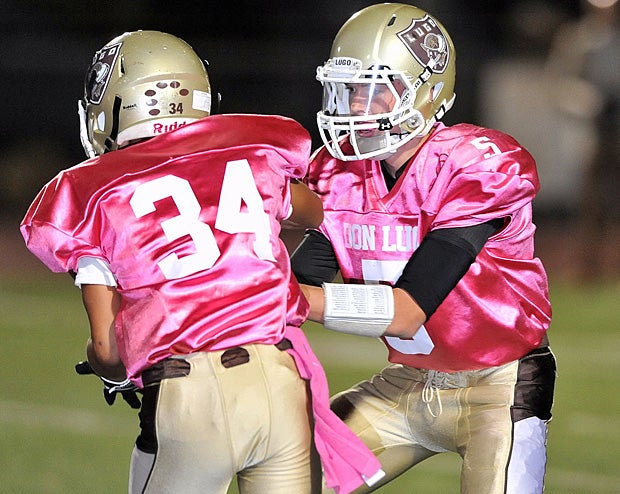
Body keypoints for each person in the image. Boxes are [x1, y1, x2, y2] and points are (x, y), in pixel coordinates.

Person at [20, 30, 384, 494]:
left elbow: (109, 351)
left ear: (115, 104)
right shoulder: (249, 155)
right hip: (279, 379)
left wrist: (107, 370)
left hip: (190, 391)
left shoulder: (95, 193)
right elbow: (313, 211)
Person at [291, 4, 557, 493]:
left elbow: (407, 312)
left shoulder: (472, 165)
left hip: (499, 385)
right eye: (348, 89)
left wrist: (284, 300)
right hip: (406, 382)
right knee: (284, 478)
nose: (354, 106)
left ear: (427, 91)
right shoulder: (336, 171)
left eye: (374, 90)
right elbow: (299, 281)